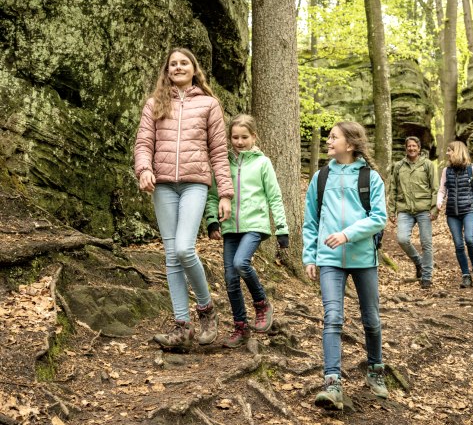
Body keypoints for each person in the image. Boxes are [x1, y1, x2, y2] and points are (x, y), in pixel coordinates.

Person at [134, 47, 234, 352]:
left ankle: (206, 311)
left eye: (183, 63)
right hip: (163, 186)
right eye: (172, 64)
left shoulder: (209, 104)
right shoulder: (154, 104)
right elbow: (143, 143)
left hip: (194, 184)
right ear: (167, 71)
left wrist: (226, 194)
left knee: (183, 248)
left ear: (194, 69)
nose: (178, 67)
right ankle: (183, 327)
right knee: (171, 256)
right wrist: (144, 170)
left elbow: (218, 152)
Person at [303, 121, 388, 411]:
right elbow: (311, 220)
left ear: (349, 145)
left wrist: (347, 234)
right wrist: (309, 255)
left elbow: (379, 218)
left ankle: (376, 369)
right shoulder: (321, 177)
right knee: (333, 317)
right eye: (328, 137)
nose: (328, 141)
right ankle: (332, 383)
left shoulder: (370, 178)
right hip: (328, 259)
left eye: (333, 137)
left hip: (363, 257)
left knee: (371, 318)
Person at [205, 114, 289, 348]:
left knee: (241, 263)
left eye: (244, 137)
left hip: (255, 225)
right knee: (230, 278)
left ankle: (262, 303)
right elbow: (213, 195)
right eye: (235, 137)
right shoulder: (223, 164)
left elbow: (274, 196)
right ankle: (240, 326)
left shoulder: (263, 163)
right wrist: (212, 221)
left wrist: (282, 228)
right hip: (230, 227)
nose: (239, 142)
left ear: (254, 137)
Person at [387, 136, 439, 288]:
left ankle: (427, 277)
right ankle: (419, 262)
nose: (411, 149)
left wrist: (435, 209)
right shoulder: (398, 166)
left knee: (426, 243)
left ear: (419, 147)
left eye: (414, 146)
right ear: (406, 148)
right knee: (402, 239)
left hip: (424, 209)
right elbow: (394, 189)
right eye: (409, 146)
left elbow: (435, 188)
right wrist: (391, 210)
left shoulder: (428, 165)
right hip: (405, 210)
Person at [437, 141, 473, 288]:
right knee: (459, 245)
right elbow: (442, 190)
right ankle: (465, 275)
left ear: (458, 151)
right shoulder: (446, 171)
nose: (447, 153)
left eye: (450, 150)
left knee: (469, 239)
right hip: (452, 213)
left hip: (469, 210)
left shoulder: (472, 169)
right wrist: (439, 201)